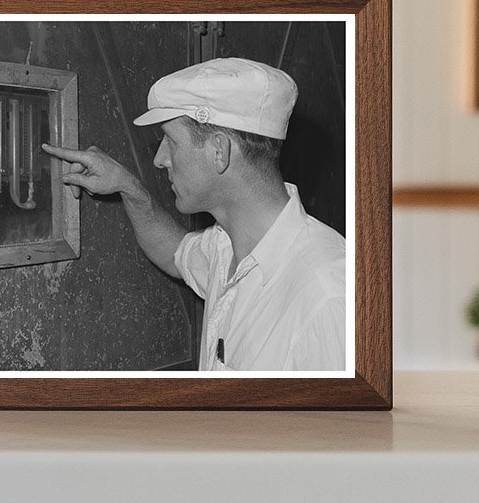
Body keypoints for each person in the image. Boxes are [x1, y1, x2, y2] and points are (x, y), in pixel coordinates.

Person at [42, 57, 346, 372]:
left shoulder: (327, 298)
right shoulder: (226, 246)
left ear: (219, 151)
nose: (160, 159)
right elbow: (174, 253)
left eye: (171, 141)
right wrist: (127, 186)